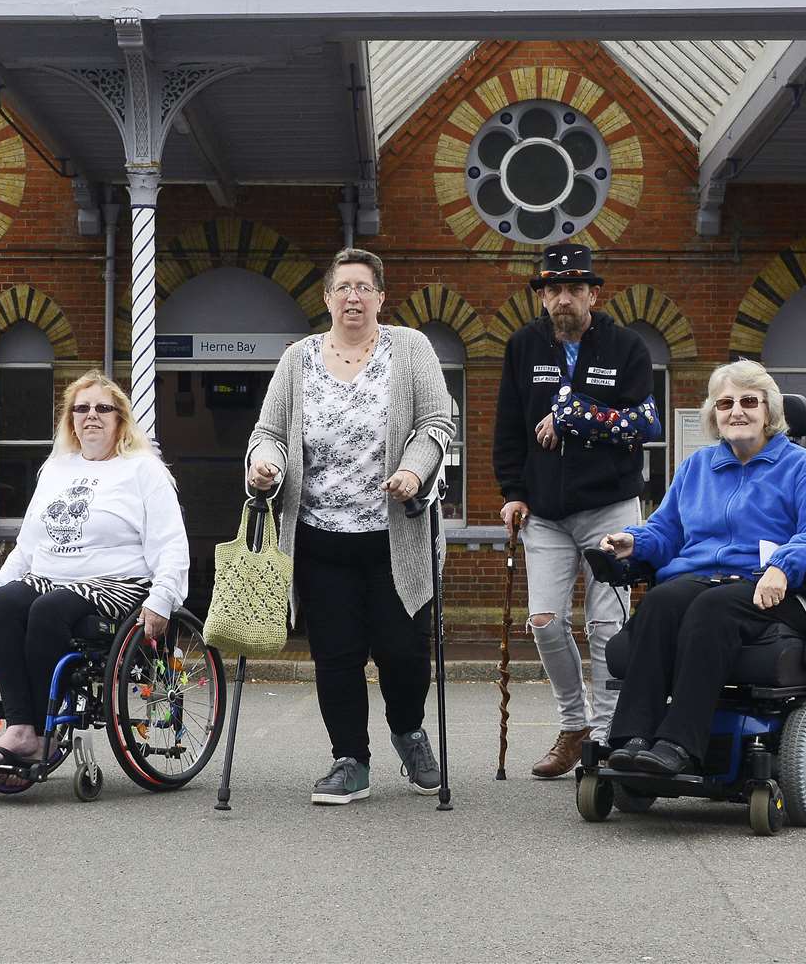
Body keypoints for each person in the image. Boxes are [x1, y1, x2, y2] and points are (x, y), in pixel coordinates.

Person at [247, 246, 455, 805]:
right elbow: (268, 431)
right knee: (335, 654)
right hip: (320, 536)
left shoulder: (411, 349)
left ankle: (409, 732)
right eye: (343, 288)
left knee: (403, 650)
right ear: (327, 298)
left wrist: (413, 472)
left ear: (381, 297)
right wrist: (263, 467)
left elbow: (438, 422)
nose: (353, 297)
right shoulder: (297, 360)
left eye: (364, 287)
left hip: (395, 536)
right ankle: (349, 759)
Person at [599, 360, 806, 774]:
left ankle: (678, 745)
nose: (737, 411)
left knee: (712, 608)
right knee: (663, 600)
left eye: (748, 401)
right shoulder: (696, 468)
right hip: (701, 580)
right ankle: (632, 738)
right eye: (725, 403)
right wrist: (636, 541)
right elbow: (667, 531)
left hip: (774, 589)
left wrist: (783, 565)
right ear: (714, 416)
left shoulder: (802, 468)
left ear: (769, 411)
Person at [0, 371, 187, 791]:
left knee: (49, 610)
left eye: (103, 408)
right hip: (49, 576)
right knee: (7, 605)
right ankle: (21, 728)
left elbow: (170, 543)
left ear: (120, 419)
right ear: (70, 419)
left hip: (116, 583)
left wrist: (163, 599)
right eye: (82, 408)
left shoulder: (144, 471)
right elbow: (27, 547)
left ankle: (42, 732)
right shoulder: (56, 468)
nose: (92, 416)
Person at [493, 242, 655, 777]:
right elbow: (508, 431)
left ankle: (610, 735)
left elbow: (643, 426)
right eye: (554, 289)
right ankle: (575, 725)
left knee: (608, 625)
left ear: (594, 294)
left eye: (574, 289)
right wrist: (512, 492)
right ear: (542, 296)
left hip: (611, 508)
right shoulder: (522, 347)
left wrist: (573, 416)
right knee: (544, 622)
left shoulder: (626, 347)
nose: (564, 298)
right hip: (545, 512)